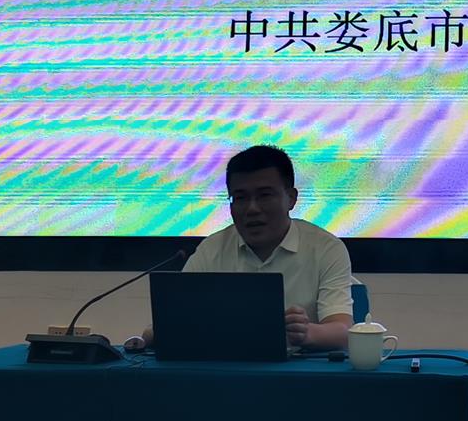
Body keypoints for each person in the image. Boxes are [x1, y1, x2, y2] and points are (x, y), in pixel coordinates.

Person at [124, 145, 355, 352]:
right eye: (240, 198)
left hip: (298, 375)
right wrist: (149, 336)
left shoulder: (326, 248)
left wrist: (307, 333)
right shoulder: (211, 250)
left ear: (291, 198)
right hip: (224, 374)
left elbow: (343, 332)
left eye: (264, 196)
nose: (252, 209)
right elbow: (171, 323)